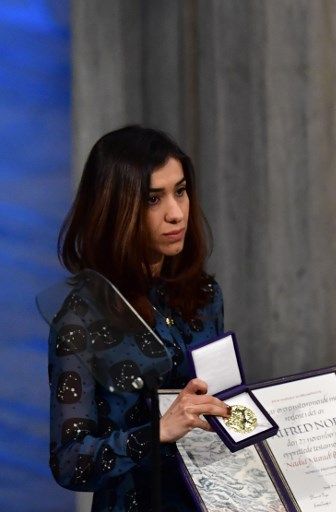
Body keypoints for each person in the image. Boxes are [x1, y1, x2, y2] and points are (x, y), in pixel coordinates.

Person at [48, 126, 230, 511]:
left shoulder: (203, 295)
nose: (176, 213)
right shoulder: (79, 320)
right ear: (115, 209)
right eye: (153, 199)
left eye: (180, 191)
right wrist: (157, 432)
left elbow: (219, 397)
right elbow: (69, 463)